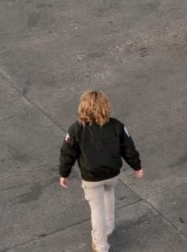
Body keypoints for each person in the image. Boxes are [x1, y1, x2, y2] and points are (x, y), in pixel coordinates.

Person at [59, 90, 143, 252]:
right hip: (112, 174)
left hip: (91, 177)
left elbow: (67, 153)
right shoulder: (117, 126)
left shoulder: (76, 129)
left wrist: (64, 173)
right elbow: (129, 148)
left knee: (96, 209)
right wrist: (137, 166)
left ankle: (101, 244)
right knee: (109, 194)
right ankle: (109, 226)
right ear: (106, 106)